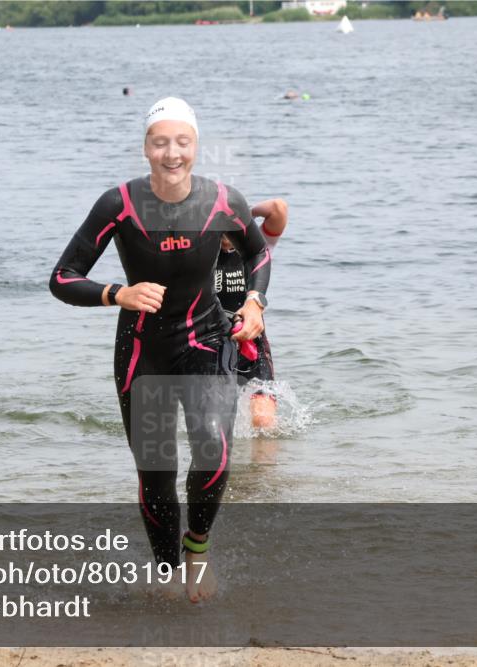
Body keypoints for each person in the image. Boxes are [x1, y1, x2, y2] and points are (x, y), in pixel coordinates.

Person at [50, 97, 270, 603]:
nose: (172, 152)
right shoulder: (119, 204)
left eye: (182, 142)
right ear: (146, 148)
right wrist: (116, 294)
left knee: (213, 451)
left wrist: (255, 301)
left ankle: (197, 552)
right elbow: (63, 277)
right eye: (160, 142)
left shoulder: (223, 202)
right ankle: (168, 571)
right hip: (142, 348)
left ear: (196, 146)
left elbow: (257, 251)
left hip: (207, 338)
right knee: (156, 470)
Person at [215, 198, 288, 430]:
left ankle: (263, 467)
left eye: (234, 227)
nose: (228, 236)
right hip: (212, 347)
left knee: (263, 422)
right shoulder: (202, 254)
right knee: (214, 425)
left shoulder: (257, 247)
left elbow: (278, 208)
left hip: (252, 346)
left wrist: (248, 213)